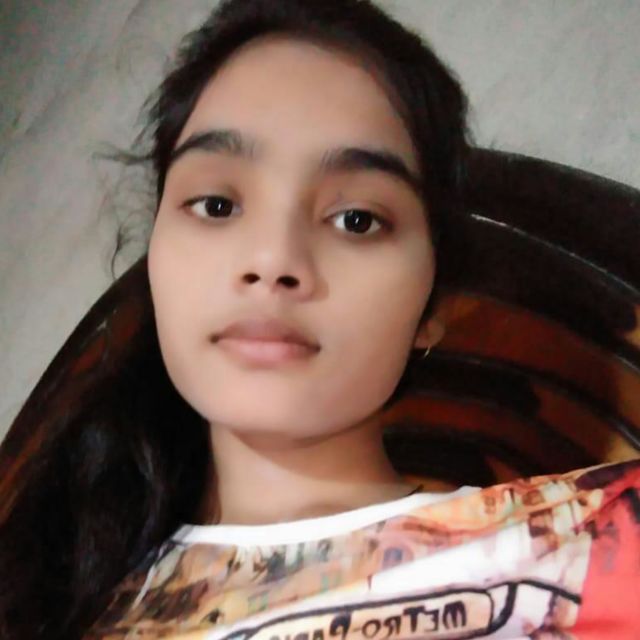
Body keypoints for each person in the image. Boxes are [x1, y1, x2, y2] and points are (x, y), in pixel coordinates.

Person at [1, 1, 638, 638]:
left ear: (433, 306)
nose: (273, 260)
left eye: (357, 220)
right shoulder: (51, 589)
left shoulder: (597, 550)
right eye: (217, 205)